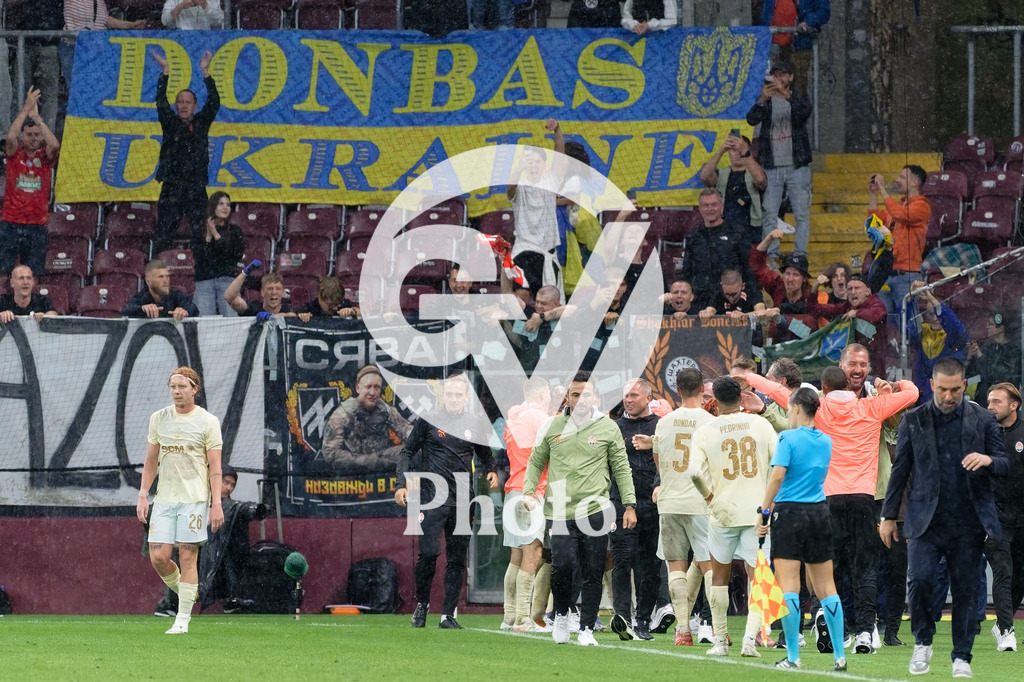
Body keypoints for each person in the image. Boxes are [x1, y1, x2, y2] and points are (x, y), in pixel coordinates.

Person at [748, 364, 918, 654]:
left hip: (827, 499)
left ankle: (832, 624)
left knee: (830, 568)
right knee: (865, 567)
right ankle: (866, 631)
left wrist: (749, 378)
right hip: (864, 498)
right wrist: (894, 384)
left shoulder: (820, 410)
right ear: (850, 388)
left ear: (823, 389)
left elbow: (778, 392)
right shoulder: (871, 407)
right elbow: (912, 394)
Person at [880, 357, 1008, 678]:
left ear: (964, 386)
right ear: (932, 386)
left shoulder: (983, 419)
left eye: (955, 390)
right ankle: (923, 640)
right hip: (925, 521)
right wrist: (887, 516)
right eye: (942, 390)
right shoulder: (914, 419)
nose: (949, 396)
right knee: (920, 580)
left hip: (969, 522)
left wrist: (988, 459)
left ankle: (961, 657)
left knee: (966, 590)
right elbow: (900, 471)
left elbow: (1006, 464)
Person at [522, 370, 637, 646]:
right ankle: (561, 615)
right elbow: (536, 460)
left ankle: (586, 628)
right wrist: (528, 491)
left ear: (595, 396)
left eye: (586, 394)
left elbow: (621, 468)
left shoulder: (608, 427)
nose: (581, 399)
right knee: (562, 567)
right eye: (575, 394)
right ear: (568, 397)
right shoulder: (551, 426)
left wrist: (630, 504)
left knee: (593, 569)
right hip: (559, 510)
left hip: (595, 509)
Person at [395, 372, 498, 630]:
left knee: (456, 560)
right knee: (428, 555)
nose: (453, 398)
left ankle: (448, 615)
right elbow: (407, 451)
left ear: (466, 397)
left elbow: (485, 454)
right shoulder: (429, 420)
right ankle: (422, 607)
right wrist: (401, 484)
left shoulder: (474, 423)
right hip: (432, 499)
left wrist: (492, 470)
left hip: (463, 501)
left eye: (458, 394)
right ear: (443, 395)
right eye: (449, 394)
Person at [757, 387, 848, 671]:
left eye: (788, 408)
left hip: (789, 512)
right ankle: (839, 655)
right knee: (827, 587)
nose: (787, 412)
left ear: (797, 408)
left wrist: (763, 510)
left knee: (790, 586)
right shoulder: (826, 441)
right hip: (819, 513)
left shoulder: (787, 438)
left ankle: (794, 657)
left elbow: (778, 475)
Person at [690, 376, 778, 658]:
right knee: (757, 576)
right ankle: (749, 641)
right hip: (757, 511)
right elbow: (779, 465)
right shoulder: (762, 425)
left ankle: (720, 643)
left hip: (722, 509)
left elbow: (693, 472)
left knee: (719, 576)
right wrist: (771, 500)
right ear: (741, 397)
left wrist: (707, 495)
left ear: (714, 400)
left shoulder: (706, 430)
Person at [136, 366, 224, 634]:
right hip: (164, 499)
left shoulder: (208, 421)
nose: (176, 391)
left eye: (182, 386)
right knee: (159, 557)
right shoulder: (159, 418)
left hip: (194, 499)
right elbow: (151, 460)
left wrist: (216, 503)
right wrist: (143, 495)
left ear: (194, 389)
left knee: (187, 556)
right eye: (173, 387)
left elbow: (215, 466)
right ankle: (188, 591)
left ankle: (182, 618)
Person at [643, 367, 715, 646]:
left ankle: (683, 630)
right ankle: (716, 628)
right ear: (701, 390)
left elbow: (659, 463)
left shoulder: (664, 422)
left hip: (670, 502)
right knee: (710, 567)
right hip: (700, 503)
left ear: (678, 390)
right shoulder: (710, 422)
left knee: (675, 568)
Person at [150, 48, 220, 257]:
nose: (183, 105)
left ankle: (201, 269)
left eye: (187, 102)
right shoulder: (170, 122)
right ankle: (156, 269)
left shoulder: (201, 122)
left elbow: (214, 102)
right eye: (180, 102)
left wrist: (206, 73)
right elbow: (160, 101)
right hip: (171, 186)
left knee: (201, 232)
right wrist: (165, 72)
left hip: (195, 187)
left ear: (195, 106)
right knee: (163, 233)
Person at [607, 379, 662, 641]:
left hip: (653, 505)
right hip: (620, 504)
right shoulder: (614, 428)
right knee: (622, 560)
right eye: (625, 395)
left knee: (649, 565)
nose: (628, 400)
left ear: (649, 397)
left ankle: (643, 620)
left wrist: (655, 443)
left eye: (634, 395)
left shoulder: (661, 426)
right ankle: (622, 617)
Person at [746, 61, 813, 262]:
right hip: (772, 166)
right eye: (775, 75)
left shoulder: (799, 97)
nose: (779, 79)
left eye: (783, 74)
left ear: (791, 77)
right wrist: (762, 100)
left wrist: (787, 96)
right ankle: (772, 253)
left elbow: (803, 115)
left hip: (797, 165)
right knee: (770, 212)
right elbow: (751, 119)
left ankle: (800, 253)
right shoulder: (765, 98)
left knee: (801, 213)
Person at [501, 377, 551, 632]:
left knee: (516, 556)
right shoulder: (539, 417)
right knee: (533, 555)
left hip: (513, 490)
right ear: (542, 395)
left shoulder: (513, 418)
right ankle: (523, 618)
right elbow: (551, 452)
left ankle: (509, 616)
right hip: (532, 492)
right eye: (549, 396)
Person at [0, 88, 59, 277]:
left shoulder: (45, 157)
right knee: (3, 272)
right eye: (29, 134)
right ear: (22, 137)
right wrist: (26, 110)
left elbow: (55, 145)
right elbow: (10, 137)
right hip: (10, 222)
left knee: (32, 275)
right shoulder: (14, 154)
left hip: (37, 224)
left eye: (36, 134)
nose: (34, 138)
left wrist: (38, 119)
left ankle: (31, 307)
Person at [984, 383, 1024, 652]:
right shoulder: (982, 434)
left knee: (1019, 575)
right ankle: (1008, 632)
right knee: (1003, 570)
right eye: (988, 402)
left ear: (1014, 405)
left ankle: (1001, 623)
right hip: (993, 513)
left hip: (1021, 512)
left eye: (996, 402)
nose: (990, 407)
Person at [507, 120, 565, 297]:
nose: (533, 165)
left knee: (549, 302)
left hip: (547, 253)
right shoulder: (519, 185)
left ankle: (544, 324)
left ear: (544, 164)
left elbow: (560, 156)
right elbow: (510, 189)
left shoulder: (550, 183)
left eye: (537, 162)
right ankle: (518, 325)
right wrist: (518, 169)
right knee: (522, 295)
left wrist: (557, 131)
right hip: (525, 250)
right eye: (529, 162)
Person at [320, 365, 413, 475]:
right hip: (354, 471)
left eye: (377, 387)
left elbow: (405, 428)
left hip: (382, 464)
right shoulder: (344, 413)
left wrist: (417, 438)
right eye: (368, 387)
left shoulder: (384, 409)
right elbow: (330, 452)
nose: (372, 393)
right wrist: (365, 461)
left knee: (417, 450)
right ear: (358, 388)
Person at [681, 189, 758, 311]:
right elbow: (687, 270)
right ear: (699, 209)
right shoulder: (693, 236)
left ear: (722, 207)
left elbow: (748, 268)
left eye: (714, 204)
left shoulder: (737, 233)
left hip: (729, 300)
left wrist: (755, 297)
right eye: (705, 205)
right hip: (700, 301)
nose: (710, 209)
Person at [867, 165, 930, 313]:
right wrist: (874, 193)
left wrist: (883, 189)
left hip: (907, 275)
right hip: (886, 273)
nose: (897, 180)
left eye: (902, 177)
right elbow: (873, 224)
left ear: (915, 182)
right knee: (881, 319)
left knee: (909, 324)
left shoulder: (922, 206)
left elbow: (901, 215)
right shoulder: (897, 206)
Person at [61, 0, 146, 92]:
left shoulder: (98, 2)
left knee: (95, 90)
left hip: (96, 49)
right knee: (78, 91)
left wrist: (130, 25)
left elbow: (105, 20)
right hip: (76, 47)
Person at [906, 282, 968, 405]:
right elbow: (902, 322)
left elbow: (956, 327)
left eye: (937, 312)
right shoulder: (921, 333)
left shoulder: (953, 336)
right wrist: (910, 298)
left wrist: (931, 298)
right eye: (930, 313)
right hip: (921, 397)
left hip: (947, 398)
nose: (935, 318)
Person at [699, 133, 767, 245]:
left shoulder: (754, 172)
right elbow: (705, 177)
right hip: (724, 229)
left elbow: (760, 181)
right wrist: (721, 151)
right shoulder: (722, 174)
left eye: (740, 149)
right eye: (733, 150)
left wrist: (746, 152)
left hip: (750, 231)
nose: (737, 153)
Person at [193, 192, 244, 317]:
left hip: (227, 281)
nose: (225, 207)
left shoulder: (235, 230)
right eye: (221, 204)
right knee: (204, 323)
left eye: (228, 204)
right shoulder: (200, 230)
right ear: (213, 206)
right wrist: (208, 236)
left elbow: (234, 254)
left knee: (231, 323)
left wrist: (216, 234)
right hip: (204, 281)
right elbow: (200, 257)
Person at [761, 0, 830, 93]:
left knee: (797, 87)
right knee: (768, 87)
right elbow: (766, 14)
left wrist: (807, 22)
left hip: (798, 44)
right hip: (772, 43)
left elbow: (824, 12)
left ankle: (798, 105)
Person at [967, 313, 1022, 405]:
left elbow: (999, 376)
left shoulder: (1013, 349)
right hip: (982, 401)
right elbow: (974, 375)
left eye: (990, 324)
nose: (987, 327)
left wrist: (980, 356)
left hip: (1002, 402)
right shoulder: (987, 348)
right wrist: (969, 357)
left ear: (1001, 328)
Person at [122, 259, 199, 320]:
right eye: (161, 277)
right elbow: (126, 310)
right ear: (148, 281)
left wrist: (185, 311)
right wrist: (142, 309)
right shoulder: (142, 297)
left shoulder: (175, 294)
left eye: (167, 276)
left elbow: (193, 308)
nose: (166, 281)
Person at [224, 269, 295, 318]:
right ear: (262, 292)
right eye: (270, 289)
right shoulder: (254, 309)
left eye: (278, 289)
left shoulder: (287, 309)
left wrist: (272, 317)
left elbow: (292, 316)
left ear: (283, 293)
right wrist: (244, 273)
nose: (274, 292)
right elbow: (229, 297)